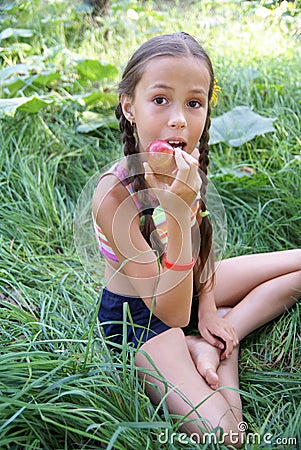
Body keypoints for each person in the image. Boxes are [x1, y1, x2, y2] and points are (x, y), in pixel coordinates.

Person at [92, 32, 301, 447]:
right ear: (128, 105)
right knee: (229, 435)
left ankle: (217, 336)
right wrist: (179, 208)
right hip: (142, 319)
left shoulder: (184, 163)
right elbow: (167, 311)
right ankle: (219, 352)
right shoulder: (114, 195)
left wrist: (207, 308)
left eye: (194, 103)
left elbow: (201, 251)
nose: (179, 119)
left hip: (187, 287)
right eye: (160, 100)